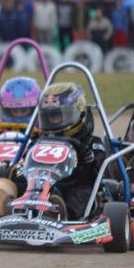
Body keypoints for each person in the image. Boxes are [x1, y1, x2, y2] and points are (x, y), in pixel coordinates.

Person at [35, 83, 107, 219]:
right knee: (21, 185)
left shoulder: (92, 143)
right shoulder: (39, 142)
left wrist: (88, 160)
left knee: (82, 194)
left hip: (77, 187)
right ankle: (5, 206)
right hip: (43, 185)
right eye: (49, 117)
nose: (53, 122)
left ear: (77, 113)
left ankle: (61, 212)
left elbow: (99, 173)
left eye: (57, 117)